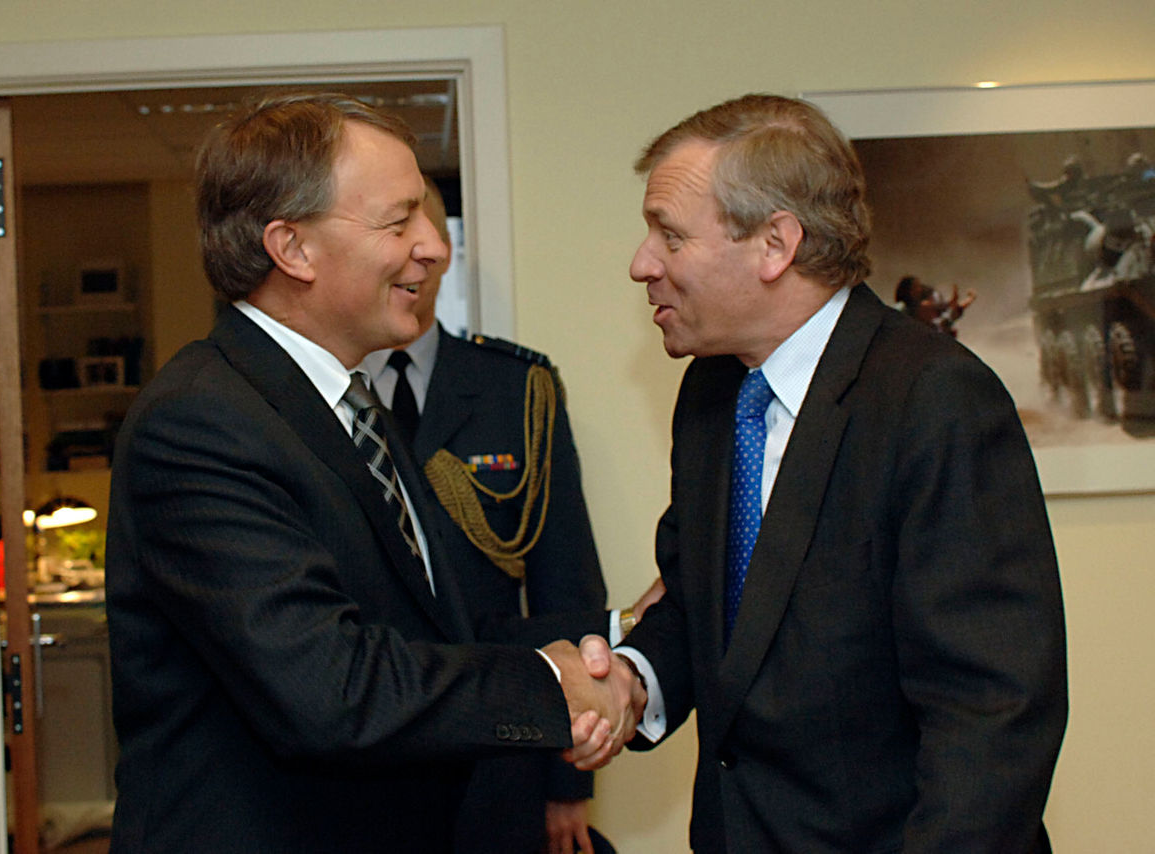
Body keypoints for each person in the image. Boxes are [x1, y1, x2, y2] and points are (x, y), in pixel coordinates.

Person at [103, 93, 641, 854]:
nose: (432, 246)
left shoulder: (349, 403)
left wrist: (620, 638)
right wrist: (554, 687)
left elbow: (431, 632)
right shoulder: (202, 422)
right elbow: (331, 689)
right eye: (399, 222)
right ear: (292, 248)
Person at [585, 93, 1068, 853]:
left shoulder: (933, 398)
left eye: (669, 236)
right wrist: (636, 679)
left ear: (775, 243)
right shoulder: (713, 391)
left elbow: (992, 711)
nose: (642, 264)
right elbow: (705, 605)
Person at [362, 180, 661, 854]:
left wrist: (567, 785)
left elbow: (564, 580)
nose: (419, 264)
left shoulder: (514, 389)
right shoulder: (330, 396)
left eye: (431, 250)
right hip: (369, 746)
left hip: (503, 750)